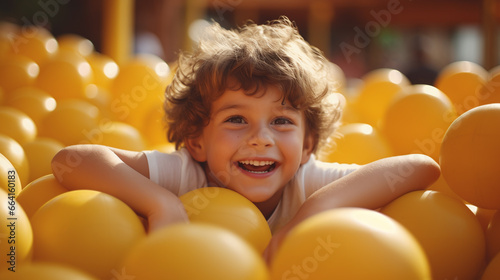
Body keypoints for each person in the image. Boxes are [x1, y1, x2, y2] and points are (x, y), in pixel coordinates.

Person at [51, 17, 440, 262]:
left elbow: (419, 167)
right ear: (198, 141)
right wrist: (161, 204)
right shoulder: (188, 175)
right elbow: (71, 159)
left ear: (307, 146)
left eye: (282, 121)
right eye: (237, 119)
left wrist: (307, 218)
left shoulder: (305, 183)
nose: (260, 139)